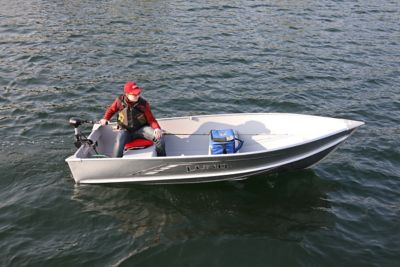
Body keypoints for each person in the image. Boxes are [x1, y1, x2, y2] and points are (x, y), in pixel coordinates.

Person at [100, 81, 166, 157]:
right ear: (127, 94)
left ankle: (162, 158)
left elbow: (151, 119)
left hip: (142, 130)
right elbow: (111, 110)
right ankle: (116, 161)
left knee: (159, 138)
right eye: (134, 94)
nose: (137, 96)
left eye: (138, 93)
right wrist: (105, 119)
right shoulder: (119, 101)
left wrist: (157, 128)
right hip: (125, 130)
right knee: (119, 140)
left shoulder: (143, 104)